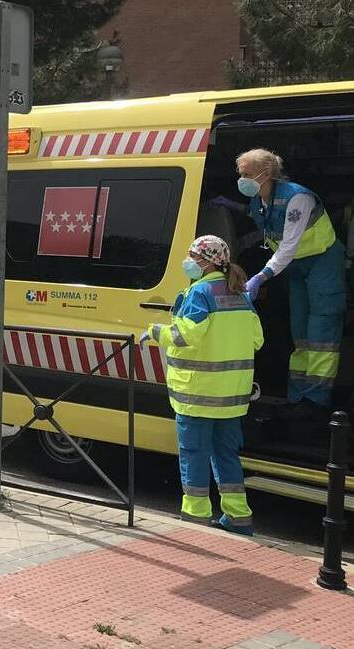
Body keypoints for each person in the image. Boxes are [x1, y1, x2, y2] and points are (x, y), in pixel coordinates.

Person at [143, 235, 262, 536]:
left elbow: (185, 336)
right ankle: (238, 518)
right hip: (231, 397)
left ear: (207, 261)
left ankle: (196, 519)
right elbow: (257, 339)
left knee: (194, 453)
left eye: (193, 256)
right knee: (226, 455)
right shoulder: (241, 293)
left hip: (198, 394)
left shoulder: (200, 292)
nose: (188, 261)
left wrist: (156, 331)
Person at [236, 148, 345, 420]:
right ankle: (297, 398)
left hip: (322, 262)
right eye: (240, 174)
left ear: (265, 174)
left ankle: (316, 402)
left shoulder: (298, 198)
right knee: (300, 333)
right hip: (296, 267)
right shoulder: (259, 200)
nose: (242, 179)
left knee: (320, 334)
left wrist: (261, 276)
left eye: (246, 174)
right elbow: (264, 230)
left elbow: (287, 246)